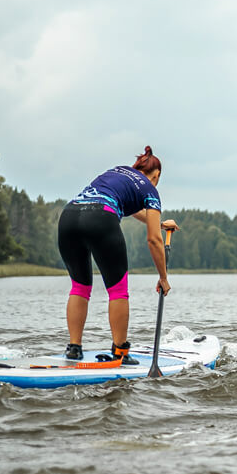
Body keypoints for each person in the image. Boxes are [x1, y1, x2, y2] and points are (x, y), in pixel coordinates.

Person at [58, 146, 177, 364]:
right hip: (101, 219)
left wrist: (158, 223)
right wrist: (163, 277)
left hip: (69, 216)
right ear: (156, 175)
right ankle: (120, 351)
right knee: (118, 290)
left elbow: (129, 208)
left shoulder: (118, 171)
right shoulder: (150, 190)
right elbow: (153, 240)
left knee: (80, 287)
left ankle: (74, 348)